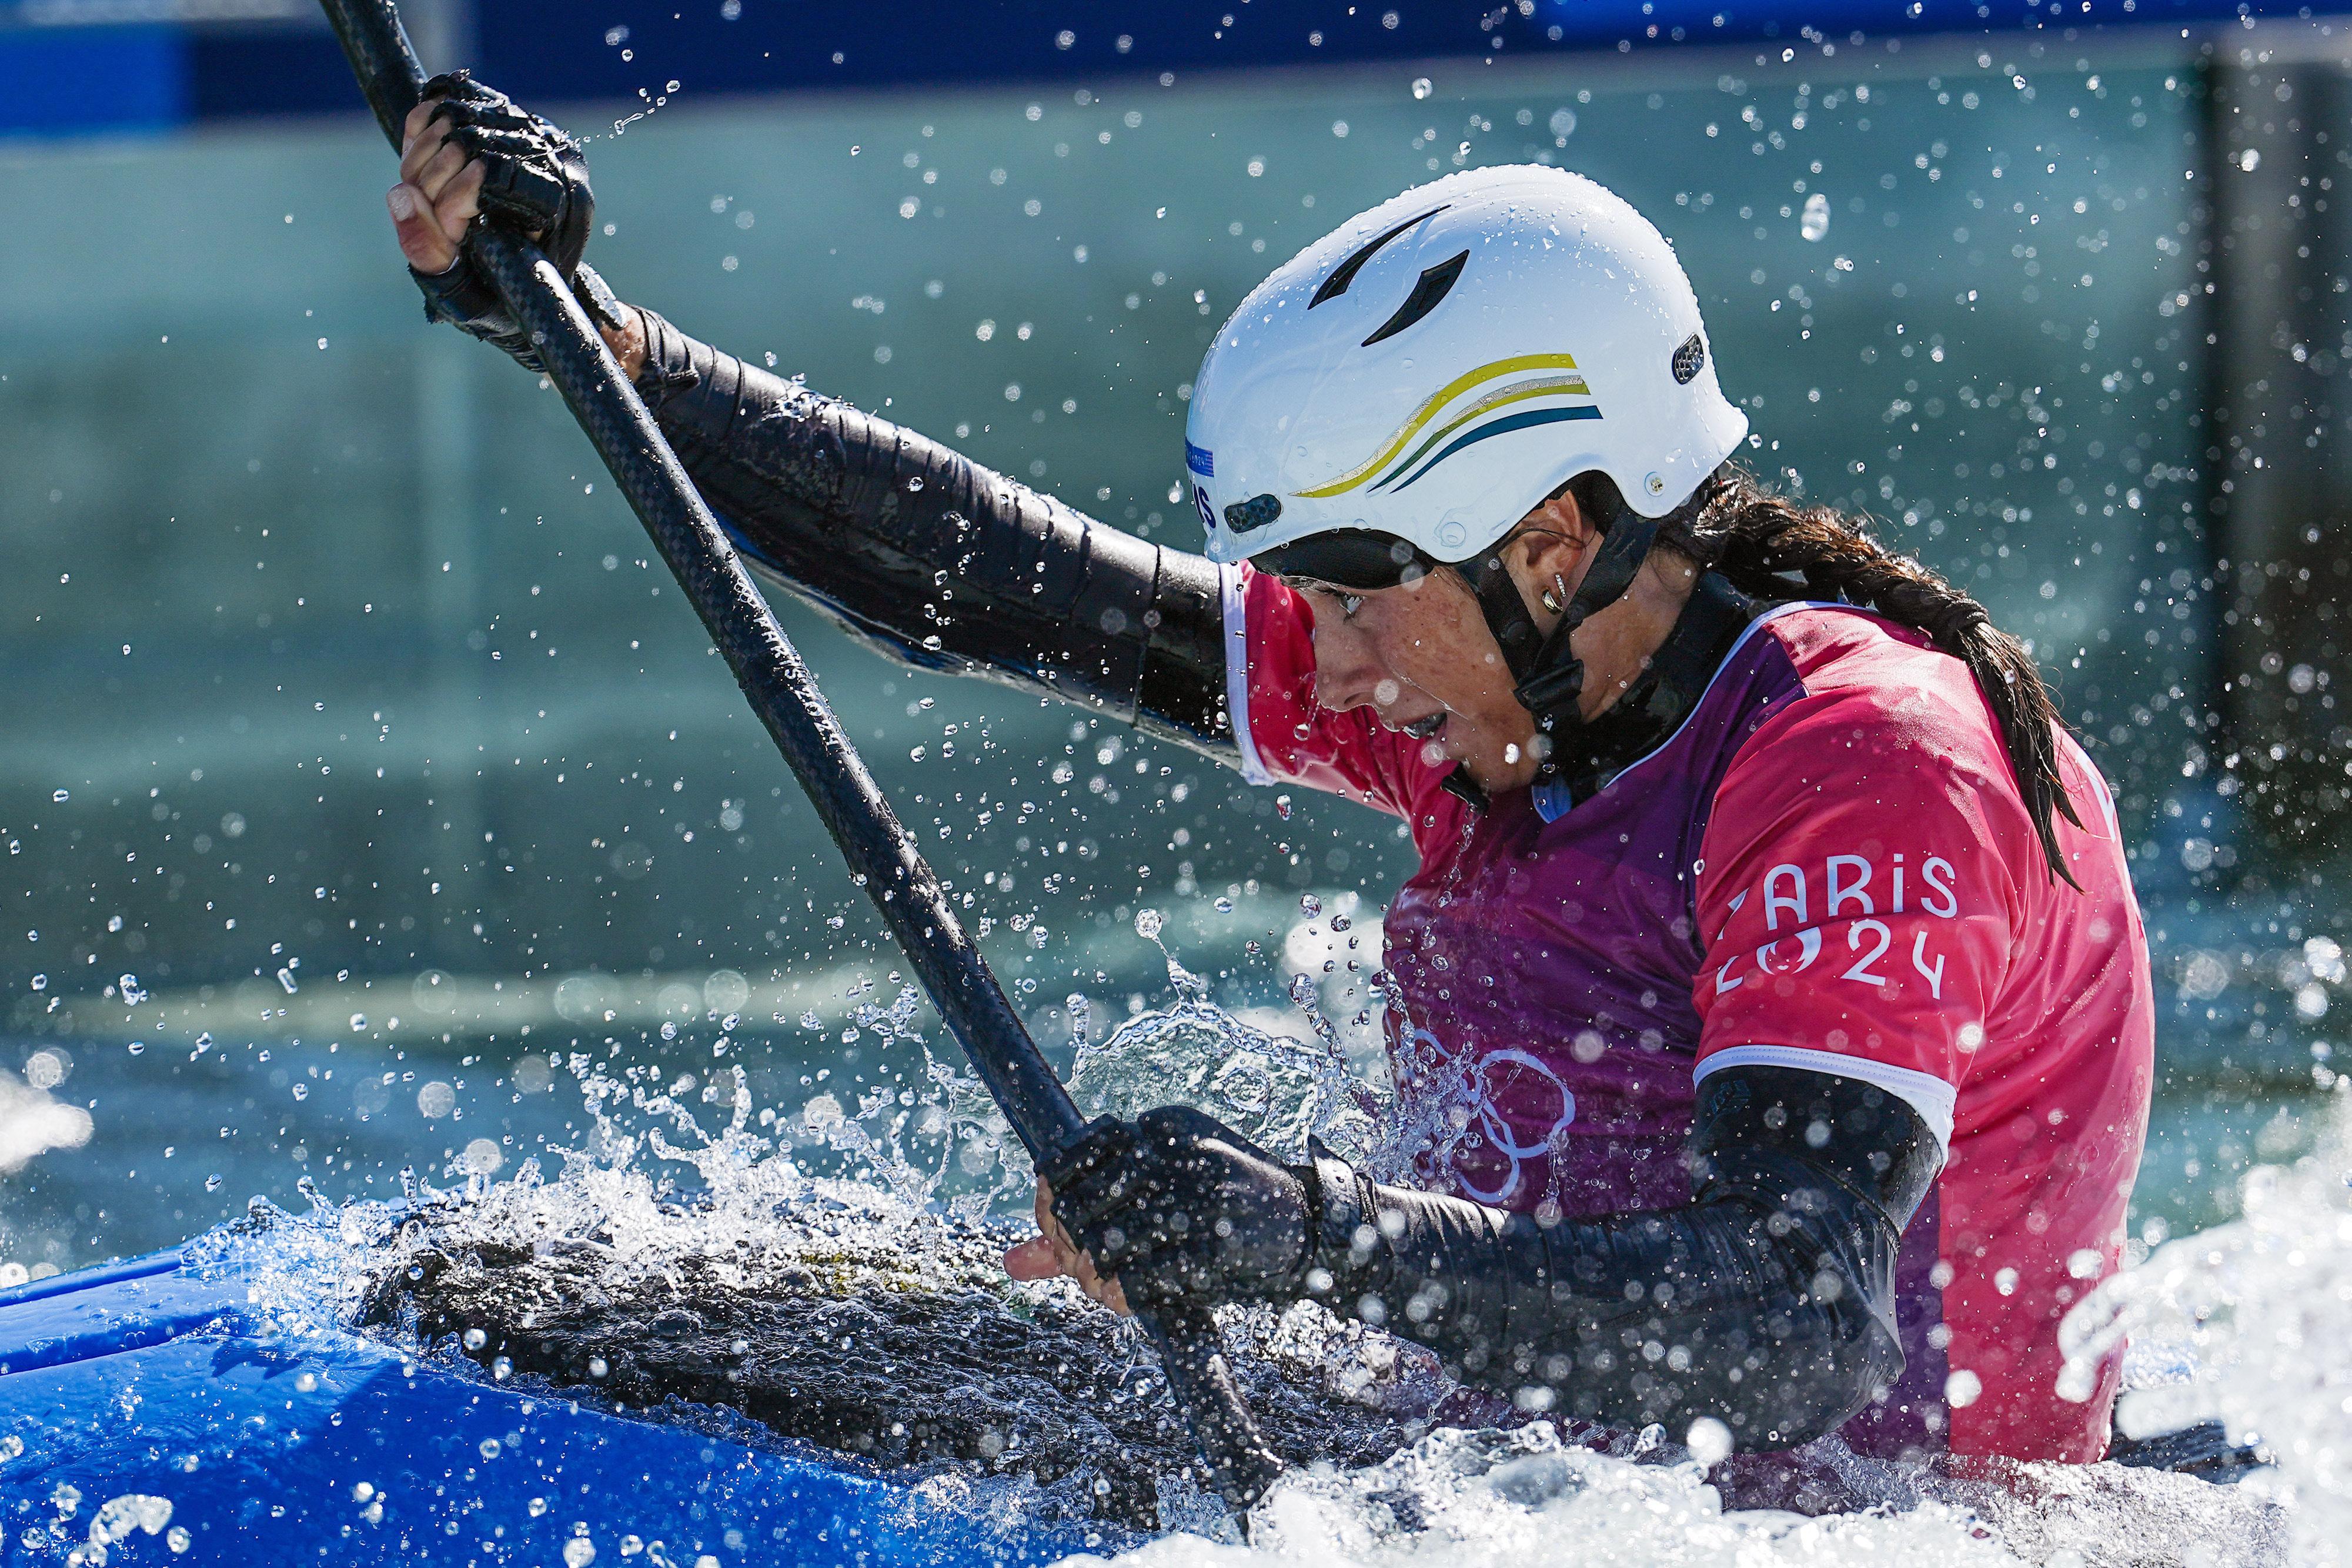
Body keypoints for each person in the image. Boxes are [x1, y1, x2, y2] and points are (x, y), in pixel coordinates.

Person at [386, 76, 2153, 1466]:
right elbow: (1017, 590)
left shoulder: (1867, 766)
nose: (1342, 667)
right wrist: (608, 356)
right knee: (562, 1296)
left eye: (1353, 600)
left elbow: (1794, 1324)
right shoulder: (1513, 685)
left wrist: (1309, 1232)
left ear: (1549, 540)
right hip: (1526, 1478)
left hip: (1864, 1525)